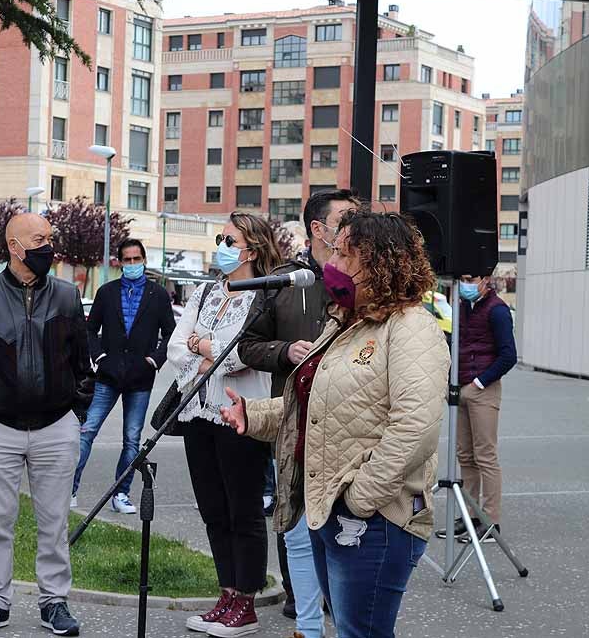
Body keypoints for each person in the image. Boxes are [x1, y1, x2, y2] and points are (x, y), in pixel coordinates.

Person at [220, 211, 450, 638]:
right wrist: (253, 414)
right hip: (332, 511)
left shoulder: (411, 327)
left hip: (374, 519)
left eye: (345, 255)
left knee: (360, 633)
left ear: (381, 263)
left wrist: (359, 499)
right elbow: (317, 405)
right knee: (348, 629)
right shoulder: (344, 323)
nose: (333, 266)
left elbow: (415, 428)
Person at [0, 213, 93, 636]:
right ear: (15, 247)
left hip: (55, 428)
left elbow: (83, 364)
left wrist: (75, 412)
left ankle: (54, 601)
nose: (49, 246)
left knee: (54, 521)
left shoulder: (67, 296)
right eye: (39, 238)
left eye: (49, 237)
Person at [238, 189, 361, 637]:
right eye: (346, 218)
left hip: (352, 432)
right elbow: (248, 345)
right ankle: (303, 609)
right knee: (296, 526)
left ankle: (340, 607)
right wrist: (285, 350)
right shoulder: (284, 282)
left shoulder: (365, 282)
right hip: (293, 424)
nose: (354, 227)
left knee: (345, 527)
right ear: (318, 228)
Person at [170, 212, 282, 637]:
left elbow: (243, 354)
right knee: (213, 509)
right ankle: (228, 593)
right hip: (197, 411)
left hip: (240, 414)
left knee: (244, 508)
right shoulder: (204, 292)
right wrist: (206, 352)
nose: (221, 244)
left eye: (228, 239)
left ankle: (247, 603)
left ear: (251, 249)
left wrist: (207, 349)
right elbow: (175, 347)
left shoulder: (263, 296)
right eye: (221, 237)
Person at [71, 238, 175, 513]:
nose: (131, 264)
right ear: (118, 263)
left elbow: (171, 333)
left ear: (144, 261)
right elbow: (90, 330)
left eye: (136, 259)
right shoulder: (106, 293)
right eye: (126, 260)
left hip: (140, 380)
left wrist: (154, 360)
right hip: (107, 376)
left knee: (132, 438)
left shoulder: (159, 295)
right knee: (87, 431)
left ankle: (121, 494)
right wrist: (100, 357)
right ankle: (69, 490)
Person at [436, 273, 516, 543]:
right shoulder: (460, 306)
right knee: (465, 456)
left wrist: (480, 382)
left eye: (472, 278)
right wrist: (451, 382)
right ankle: (470, 516)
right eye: (464, 278)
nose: (467, 284)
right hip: (461, 388)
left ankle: (491, 523)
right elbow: (454, 345)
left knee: (486, 456)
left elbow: (509, 355)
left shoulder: (498, 311)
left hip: (483, 389)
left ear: (487, 279)